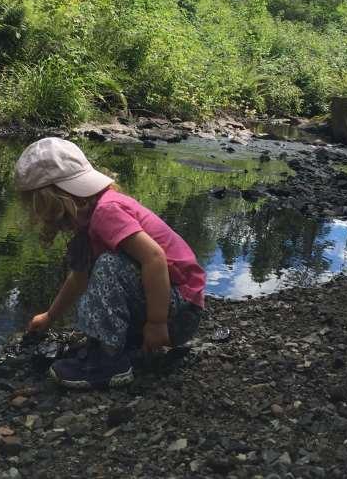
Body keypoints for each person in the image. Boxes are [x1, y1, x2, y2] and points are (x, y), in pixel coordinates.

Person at [14, 137, 205, 389]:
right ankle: (117, 344)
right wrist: (50, 316)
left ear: (57, 199)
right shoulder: (88, 225)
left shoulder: (106, 212)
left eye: (37, 207)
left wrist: (157, 323)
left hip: (179, 311)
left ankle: (109, 362)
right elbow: (79, 278)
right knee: (97, 267)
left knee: (107, 265)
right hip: (165, 303)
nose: (39, 216)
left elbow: (155, 259)